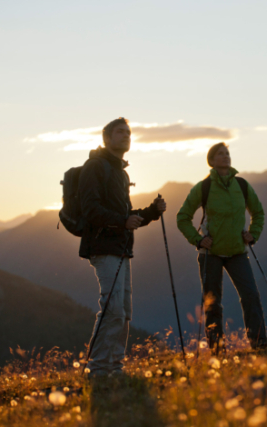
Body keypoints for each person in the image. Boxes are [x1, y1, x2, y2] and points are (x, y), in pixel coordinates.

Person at [79, 117, 166, 377]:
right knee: (113, 307)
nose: (126, 136)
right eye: (120, 132)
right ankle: (99, 370)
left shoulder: (120, 171)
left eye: (129, 132)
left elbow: (127, 215)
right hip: (104, 247)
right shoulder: (95, 167)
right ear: (106, 138)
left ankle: (113, 368)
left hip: (121, 248)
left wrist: (151, 211)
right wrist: (122, 221)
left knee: (122, 311)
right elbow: (90, 209)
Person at [177, 142, 267, 352]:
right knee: (213, 303)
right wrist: (198, 240)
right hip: (210, 254)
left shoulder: (242, 185)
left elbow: (258, 212)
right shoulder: (204, 187)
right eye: (220, 154)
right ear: (211, 160)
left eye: (227, 153)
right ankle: (218, 351)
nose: (226, 156)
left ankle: (260, 345)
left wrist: (252, 234)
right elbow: (182, 217)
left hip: (237, 251)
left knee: (251, 296)